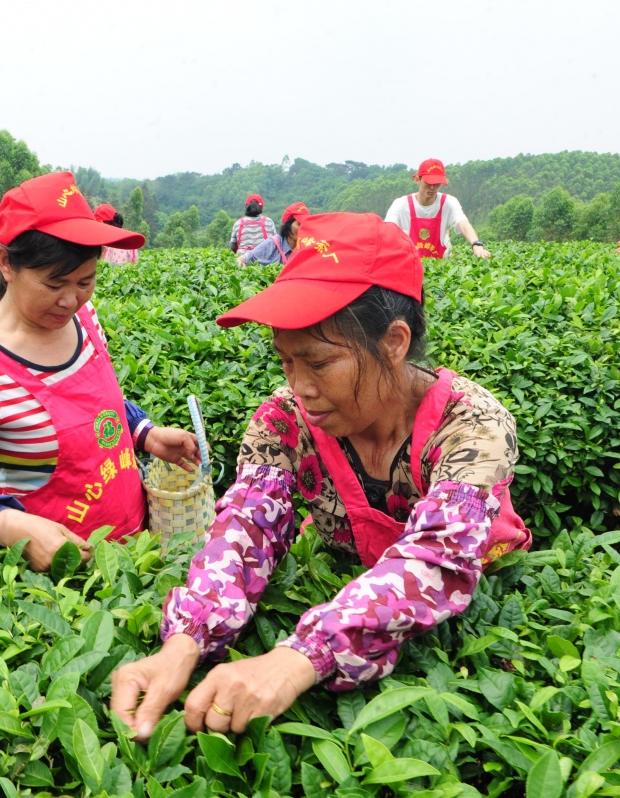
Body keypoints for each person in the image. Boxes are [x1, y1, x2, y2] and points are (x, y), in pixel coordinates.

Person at [111, 212, 530, 741]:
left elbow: (437, 559)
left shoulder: (473, 424)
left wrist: (296, 659)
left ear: (394, 342)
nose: (300, 387)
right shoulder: (284, 420)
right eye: (287, 362)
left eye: (319, 362)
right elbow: (245, 526)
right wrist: (185, 641)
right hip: (347, 579)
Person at [0, 172, 199, 571]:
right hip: (65, 577)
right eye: (54, 284)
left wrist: (144, 433)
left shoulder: (85, 320)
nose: (70, 300)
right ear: (6, 263)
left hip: (137, 552)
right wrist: (9, 525)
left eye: (85, 281)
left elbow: (96, 404)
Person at [385, 158, 490, 260]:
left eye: (437, 183)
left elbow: (463, 223)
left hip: (438, 266)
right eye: (428, 182)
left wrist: (477, 244)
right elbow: (386, 230)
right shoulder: (401, 205)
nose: (433, 187)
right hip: (409, 265)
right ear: (417, 180)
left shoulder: (448, 202)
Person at [236, 202, 310, 266]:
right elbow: (242, 259)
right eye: (299, 224)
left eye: (305, 224)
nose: (303, 227)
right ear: (288, 225)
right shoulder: (272, 244)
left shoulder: (309, 247)